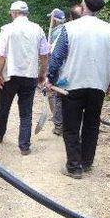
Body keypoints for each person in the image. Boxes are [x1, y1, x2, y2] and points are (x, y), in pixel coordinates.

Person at [46, 0, 110, 179]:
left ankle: (73, 166)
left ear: (83, 6)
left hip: (72, 84)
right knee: (92, 124)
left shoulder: (70, 28)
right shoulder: (109, 30)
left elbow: (57, 57)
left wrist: (51, 78)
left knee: (71, 126)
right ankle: (86, 162)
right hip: (98, 85)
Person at [0, 1, 50, 155]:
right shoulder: (37, 29)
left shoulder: (8, 29)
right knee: (26, 112)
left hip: (9, 75)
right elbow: (44, 55)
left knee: (3, 107)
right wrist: (42, 74)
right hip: (29, 76)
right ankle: (24, 146)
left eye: (11, 13)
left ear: (15, 12)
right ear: (26, 13)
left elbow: (1, 55)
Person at [46, 8, 66, 136]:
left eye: (51, 18)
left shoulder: (56, 33)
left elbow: (53, 54)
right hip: (67, 69)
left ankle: (58, 123)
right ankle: (60, 121)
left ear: (55, 20)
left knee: (53, 94)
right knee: (61, 96)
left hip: (58, 68)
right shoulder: (67, 30)